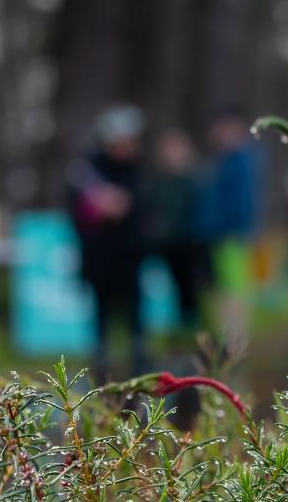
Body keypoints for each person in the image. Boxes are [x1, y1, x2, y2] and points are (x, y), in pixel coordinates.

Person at [68, 106, 149, 380]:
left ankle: (139, 368)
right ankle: (101, 371)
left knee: (134, 316)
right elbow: (73, 208)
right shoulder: (88, 169)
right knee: (100, 315)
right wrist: (99, 206)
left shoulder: (139, 172)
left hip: (130, 257)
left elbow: (147, 209)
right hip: (100, 258)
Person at [195, 107, 265, 351]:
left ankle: (234, 343)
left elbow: (240, 203)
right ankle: (230, 340)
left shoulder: (239, 162)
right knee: (225, 291)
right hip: (222, 235)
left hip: (232, 236)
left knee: (234, 291)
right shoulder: (227, 160)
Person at [147, 127, 206, 342]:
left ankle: (195, 339)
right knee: (170, 297)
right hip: (167, 247)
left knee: (193, 297)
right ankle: (178, 339)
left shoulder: (195, 179)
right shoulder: (158, 180)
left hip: (191, 246)